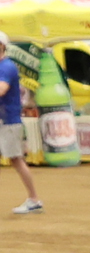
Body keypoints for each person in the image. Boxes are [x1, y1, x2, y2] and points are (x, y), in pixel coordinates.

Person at [0, 31, 44, 215]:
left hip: (8, 120)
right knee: (16, 159)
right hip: (5, 120)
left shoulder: (6, 67)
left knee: (16, 160)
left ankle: (34, 199)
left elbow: (1, 90)